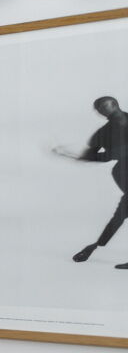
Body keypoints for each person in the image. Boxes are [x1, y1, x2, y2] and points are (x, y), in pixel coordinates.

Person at [56, 96, 128, 267]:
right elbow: (91, 156)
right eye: (98, 108)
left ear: (114, 103)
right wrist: (77, 156)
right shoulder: (102, 133)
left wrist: (115, 153)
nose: (101, 109)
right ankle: (96, 245)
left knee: (122, 212)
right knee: (122, 212)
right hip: (124, 171)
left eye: (103, 105)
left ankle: (95, 246)